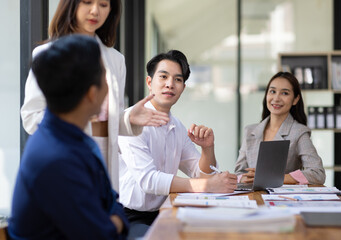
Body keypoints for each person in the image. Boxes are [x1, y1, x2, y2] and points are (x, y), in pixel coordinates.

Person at [20, 0, 169, 190]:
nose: (94, 11)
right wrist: (75, 122)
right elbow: (31, 117)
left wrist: (129, 119)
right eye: (87, 2)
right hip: (66, 155)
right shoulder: (48, 54)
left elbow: (107, 118)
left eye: (104, 5)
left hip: (105, 160)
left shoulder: (115, 60)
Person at [9, 35, 129, 239]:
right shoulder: (56, 159)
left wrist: (114, 218)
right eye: (104, 75)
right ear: (92, 94)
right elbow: (102, 233)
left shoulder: (71, 139)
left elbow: (111, 203)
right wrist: (116, 220)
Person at [118, 50, 238, 238]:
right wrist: (205, 186)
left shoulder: (177, 126)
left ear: (182, 88)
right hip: (130, 216)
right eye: (163, 76)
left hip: (166, 210)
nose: (170, 84)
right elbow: (148, 180)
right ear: (150, 83)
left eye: (178, 80)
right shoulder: (130, 121)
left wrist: (207, 148)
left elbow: (198, 173)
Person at [235, 72, 326, 185]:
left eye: (284, 93)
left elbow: (317, 173)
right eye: (272, 91)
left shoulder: (299, 132)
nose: (276, 98)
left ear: (295, 99)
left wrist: (276, 178)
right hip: (253, 198)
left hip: (283, 200)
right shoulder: (250, 131)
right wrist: (244, 178)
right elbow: (238, 173)